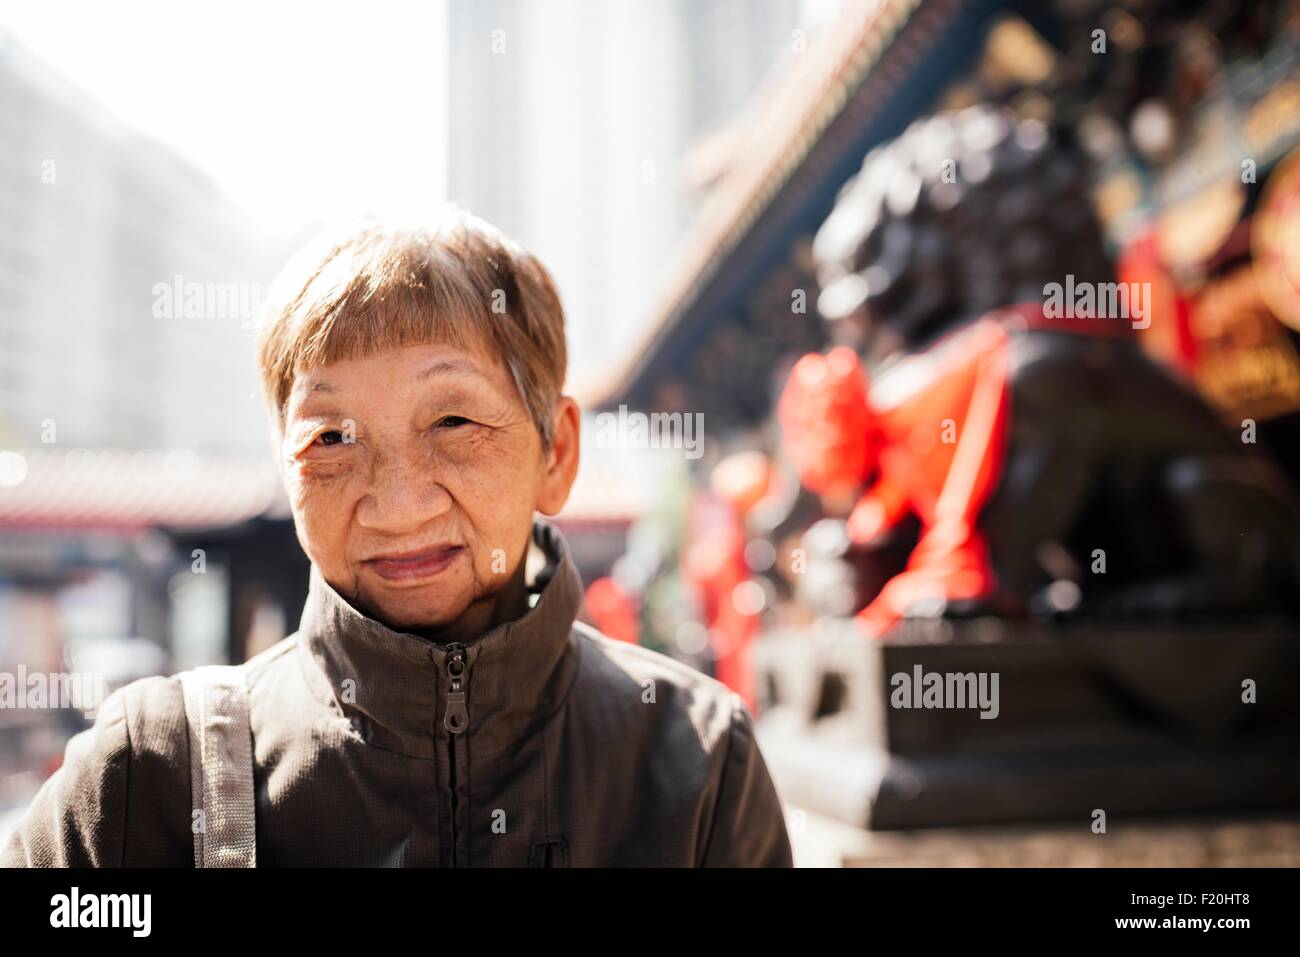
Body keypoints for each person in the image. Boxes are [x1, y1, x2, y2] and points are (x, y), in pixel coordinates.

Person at [2, 211, 793, 867]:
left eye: (453, 421)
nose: (396, 504)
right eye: (332, 438)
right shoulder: (150, 775)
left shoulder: (697, 762)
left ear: (556, 451)